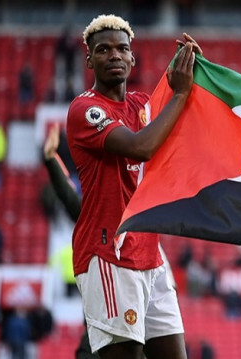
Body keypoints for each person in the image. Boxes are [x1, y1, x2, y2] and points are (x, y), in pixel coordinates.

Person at [65, 14, 201, 359]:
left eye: (122, 49)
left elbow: (181, 114)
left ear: (132, 59)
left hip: (151, 255)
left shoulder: (143, 105)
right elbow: (142, 147)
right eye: (103, 49)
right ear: (89, 59)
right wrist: (181, 93)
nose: (114, 55)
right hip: (108, 254)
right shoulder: (85, 110)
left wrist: (196, 72)